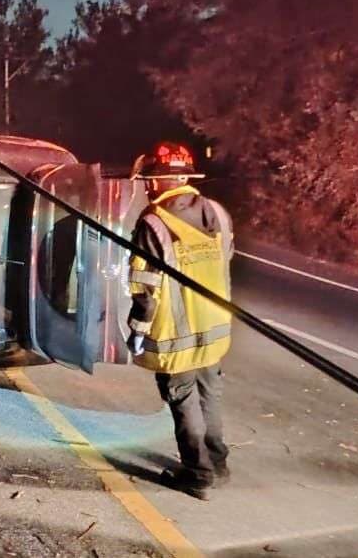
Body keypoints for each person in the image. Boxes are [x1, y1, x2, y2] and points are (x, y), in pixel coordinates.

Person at [126, 142, 234, 501]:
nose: (146, 187)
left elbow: (145, 287)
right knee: (210, 395)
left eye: (147, 181)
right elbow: (224, 260)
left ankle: (197, 474)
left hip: (176, 334)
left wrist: (138, 330)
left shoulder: (153, 223)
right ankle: (217, 464)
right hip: (215, 328)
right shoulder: (217, 213)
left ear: (157, 182)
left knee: (184, 401)